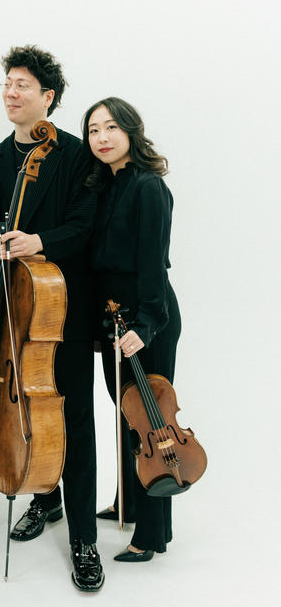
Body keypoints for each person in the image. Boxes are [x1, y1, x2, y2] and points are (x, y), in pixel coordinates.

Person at [0, 45, 103, 592]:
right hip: (10, 313)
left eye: (22, 84)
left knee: (73, 417)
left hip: (59, 311)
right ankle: (43, 497)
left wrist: (38, 241)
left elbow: (87, 224)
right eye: (7, 83)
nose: (11, 92)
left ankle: (84, 538)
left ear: (48, 97)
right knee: (23, 404)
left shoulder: (76, 157)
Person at [83, 96, 181, 562]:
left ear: (130, 131)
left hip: (147, 319)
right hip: (113, 318)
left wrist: (145, 324)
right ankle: (127, 500)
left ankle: (152, 534)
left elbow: (154, 266)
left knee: (151, 423)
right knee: (126, 414)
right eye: (93, 130)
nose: (101, 138)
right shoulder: (104, 186)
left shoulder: (148, 187)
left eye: (109, 128)